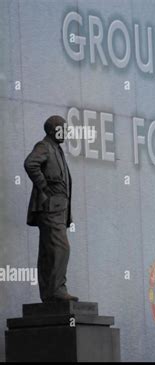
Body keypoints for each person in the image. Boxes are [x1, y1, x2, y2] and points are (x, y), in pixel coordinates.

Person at [24, 115, 78, 302]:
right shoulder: (44, 146)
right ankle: (57, 290)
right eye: (61, 129)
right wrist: (44, 188)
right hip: (50, 208)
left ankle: (49, 293)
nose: (65, 133)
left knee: (49, 251)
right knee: (61, 248)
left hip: (59, 210)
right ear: (51, 130)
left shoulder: (57, 149)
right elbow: (30, 163)